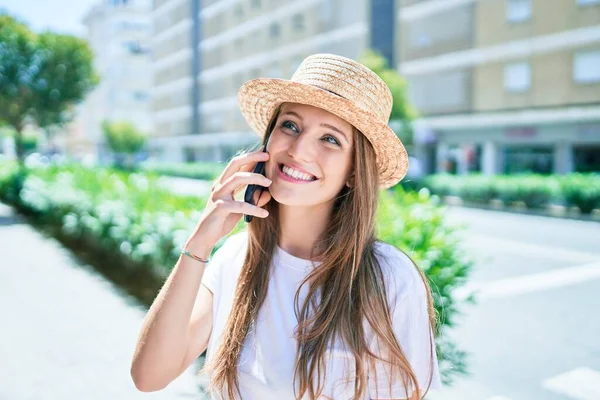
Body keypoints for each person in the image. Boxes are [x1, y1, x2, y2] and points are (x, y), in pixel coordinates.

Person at [131, 54, 443, 399]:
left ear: (355, 172)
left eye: (330, 139)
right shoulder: (233, 259)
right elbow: (150, 376)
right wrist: (199, 245)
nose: (298, 149)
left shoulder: (389, 277)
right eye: (290, 125)